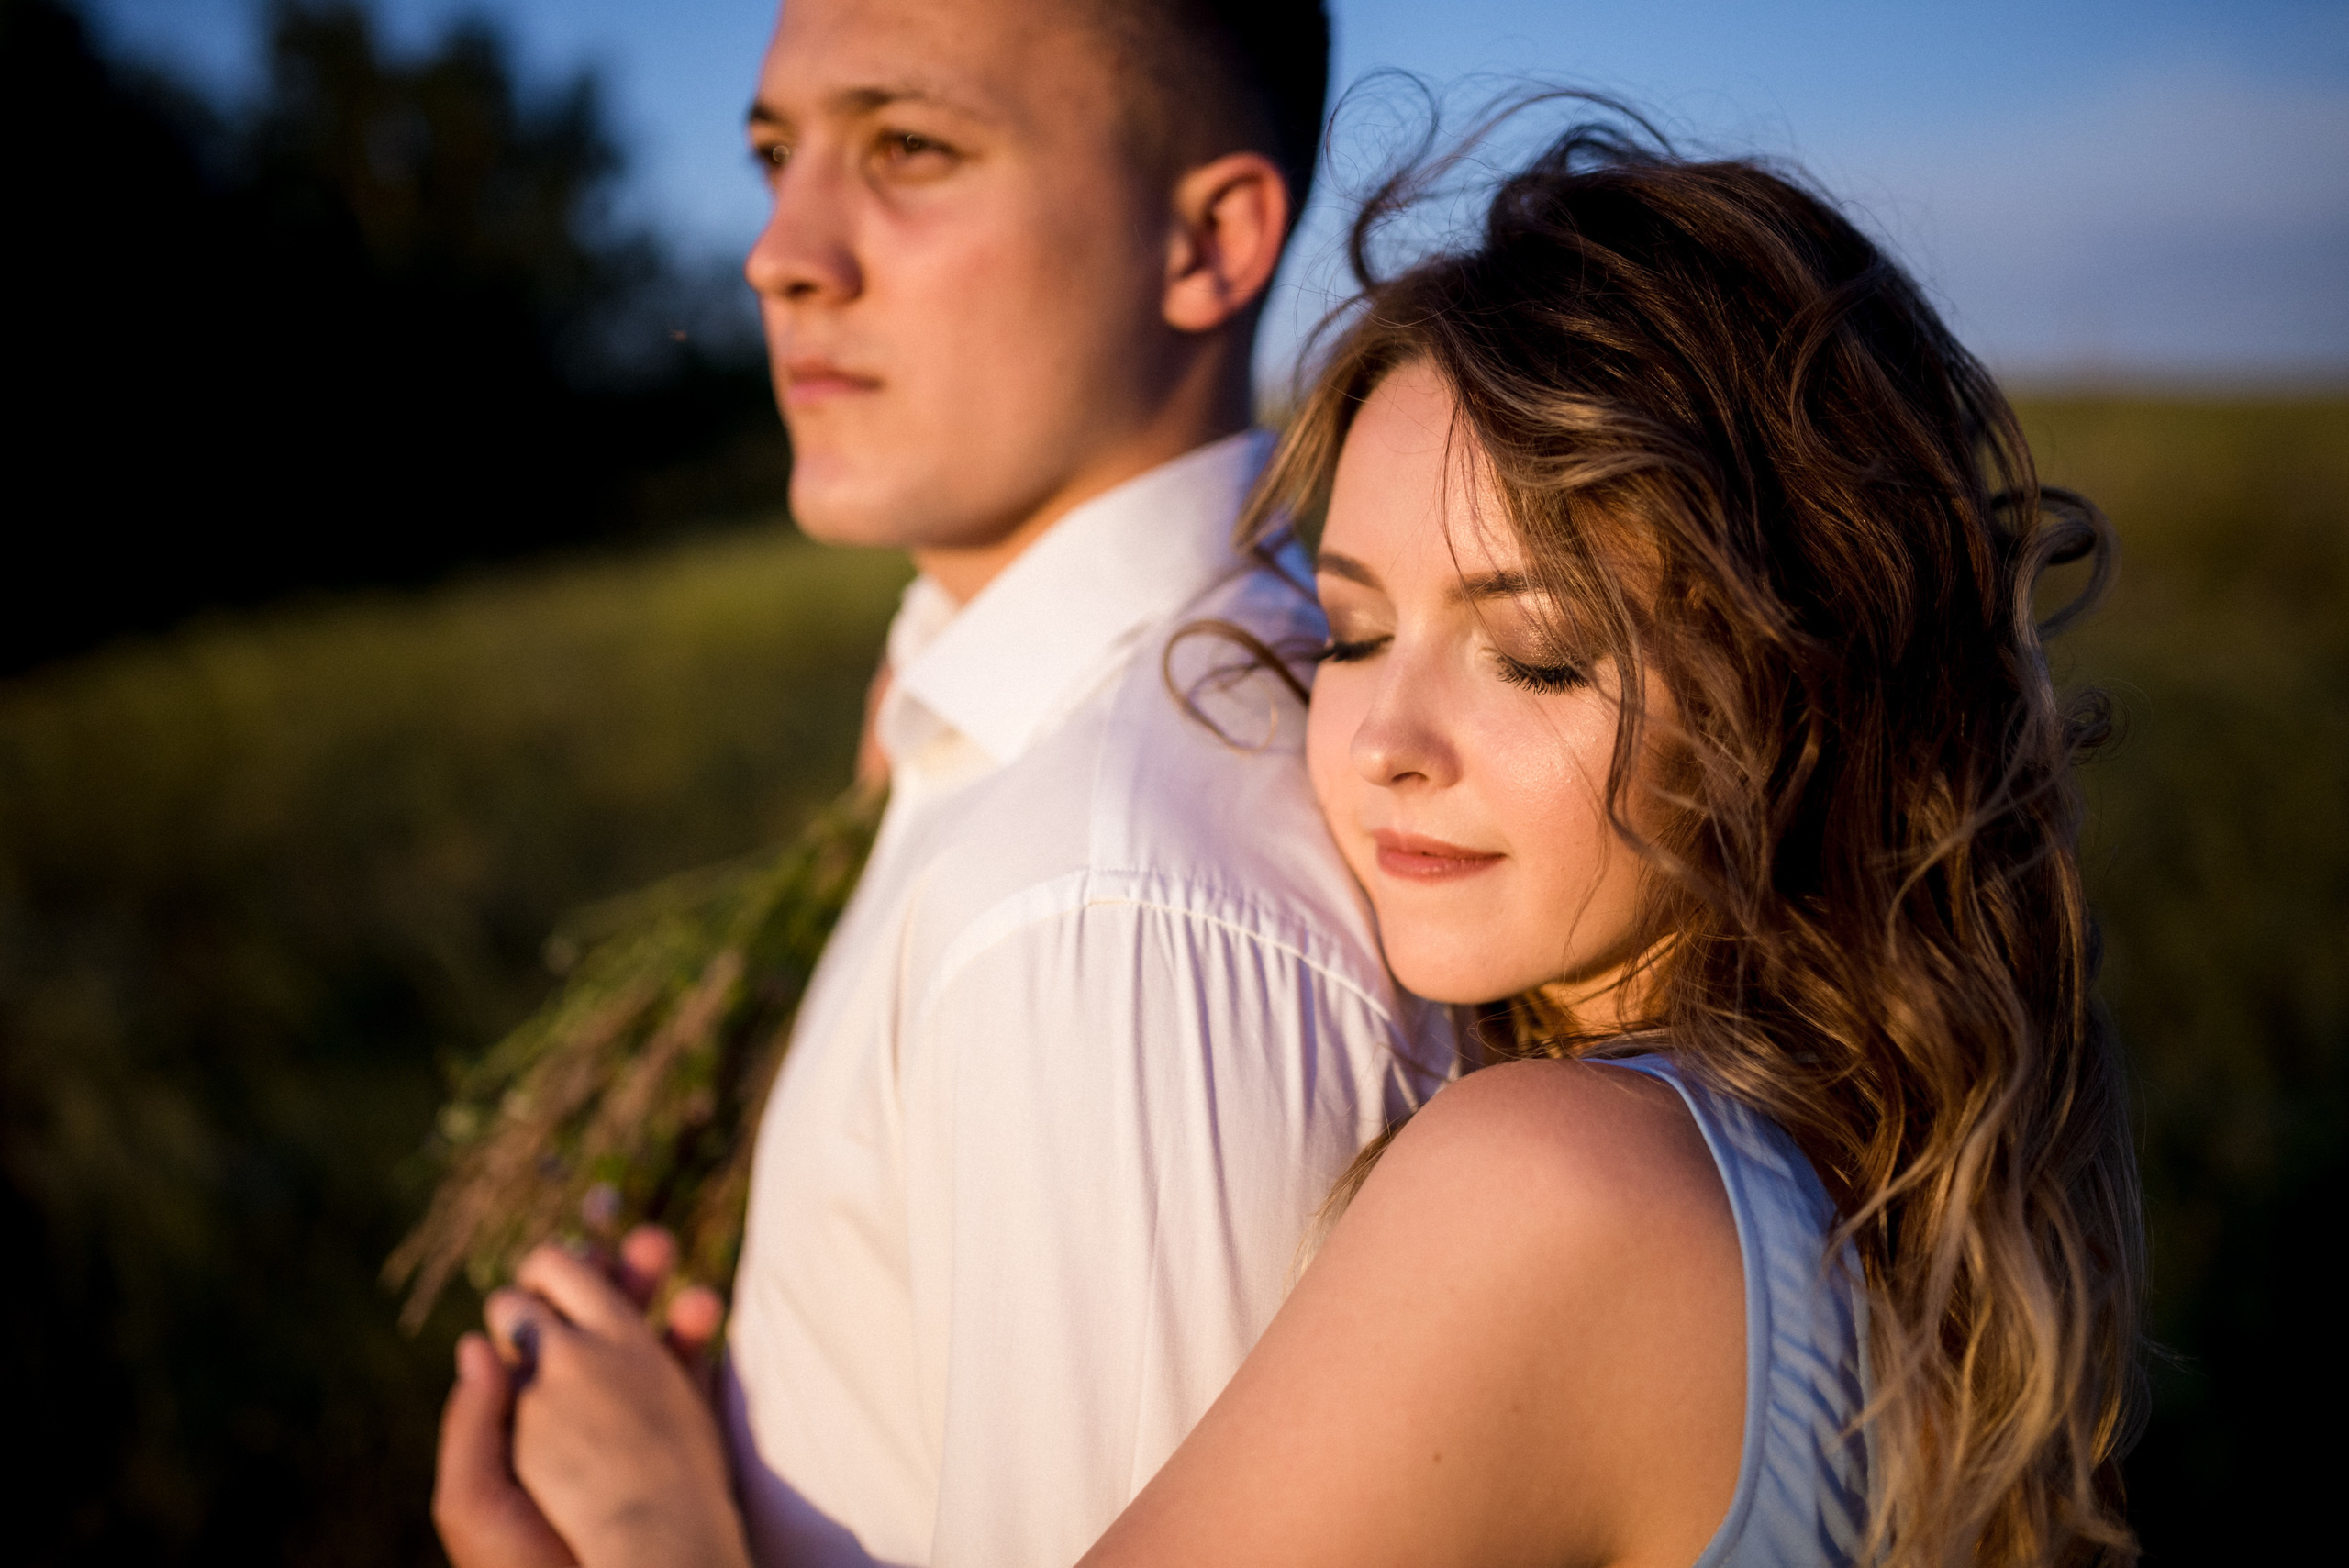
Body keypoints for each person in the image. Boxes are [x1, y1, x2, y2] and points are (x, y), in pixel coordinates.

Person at [441, 108, 2149, 1568]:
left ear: (1807, 689)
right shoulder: (1842, 1173)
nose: (1388, 743)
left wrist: (661, 1534)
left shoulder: (1551, 1184)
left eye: (1538, 652)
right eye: (1346, 631)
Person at [433, 3, 1460, 1567]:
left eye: (910, 147)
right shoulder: (1001, 735)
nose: (781, 252)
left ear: (1210, 242)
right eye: (780, 156)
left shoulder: (1106, 911)